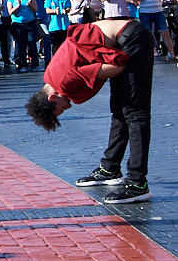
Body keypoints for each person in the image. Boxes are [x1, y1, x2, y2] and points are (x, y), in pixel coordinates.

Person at [25, 16, 155, 205]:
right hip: (126, 36)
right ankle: (110, 168)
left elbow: (117, 67)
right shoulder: (50, 77)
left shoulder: (64, 81)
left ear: (52, 98)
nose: (68, 106)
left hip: (132, 39)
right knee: (120, 111)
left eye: (61, 110)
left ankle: (138, 183)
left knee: (135, 113)